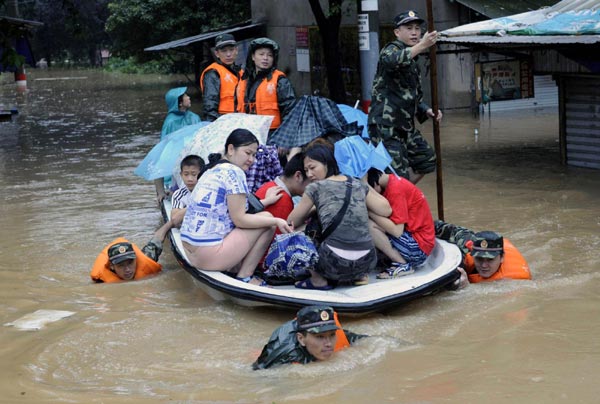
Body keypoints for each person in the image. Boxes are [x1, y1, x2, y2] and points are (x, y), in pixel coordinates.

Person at [179, 129, 292, 286]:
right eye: (248, 153)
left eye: (254, 155)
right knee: (268, 221)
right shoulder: (235, 172)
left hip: (189, 251)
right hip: (207, 256)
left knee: (262, 219)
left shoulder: (210, 170)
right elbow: (240, 219)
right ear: (231, 149)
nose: (251, 159)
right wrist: (278, 221)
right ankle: (245, 276)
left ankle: (234, 268)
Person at [287, 145, 392, 289]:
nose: (309, 174)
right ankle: (359, 276)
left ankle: (319, 280)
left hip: (333, 265)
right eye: (306, 170)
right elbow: (386, 210)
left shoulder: (314, 188)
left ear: (327, 163)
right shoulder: (355, 183)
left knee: (294, 234)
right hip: (367, 262)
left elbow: (291, 222)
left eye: (312, 167)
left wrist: (314, 208)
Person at [367, 10, 442, 184]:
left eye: (417, 28)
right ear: (397, 32)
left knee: (427, 159)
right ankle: (394, 200)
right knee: (396, 173)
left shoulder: (413, 58)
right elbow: (391, 61)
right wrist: (422, 46)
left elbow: (412, 95)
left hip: (405, 125)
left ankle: (401, 193)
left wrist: (427, 110)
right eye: (409, 28)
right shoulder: (392, 49)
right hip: (386, 126)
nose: (415, 32)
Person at [366, 168, 435, 278]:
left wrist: (369, 212)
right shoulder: (393, 182)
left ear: (375, 184)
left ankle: (402, 264)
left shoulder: (395, 189)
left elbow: (397, 231)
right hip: (417, 241)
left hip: (418, 247)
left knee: (368, 225)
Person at [252, 305, 366, 370]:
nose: (328, 343)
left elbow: (371, 341)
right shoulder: (284, 351)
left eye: (331, 335)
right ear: (301, 339)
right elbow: (256, 374)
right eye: (320, 337)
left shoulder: (338, 335)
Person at [435, 221, 532, 288]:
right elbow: (451, 230)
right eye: (479, 258)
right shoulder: (468, 252)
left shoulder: (517, 281)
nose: (484, 265)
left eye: (490, 259)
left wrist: (466, 290)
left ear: (502, 258)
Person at [235, 37, 296, 131]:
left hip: (272, 132)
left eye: (270, 55)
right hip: (247, 130)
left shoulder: (280, 80)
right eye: (261, 54)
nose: (265, 58)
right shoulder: (244, 79)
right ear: (253, 57)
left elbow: (289, 110)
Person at [155, 87, 201, 203]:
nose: (189, 97)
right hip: (177, 164)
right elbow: (162, 153)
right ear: (179, 102)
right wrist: (160, 191)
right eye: (186, 96)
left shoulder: (195, 117)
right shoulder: (170, 122)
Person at [90, 220, 174, 283]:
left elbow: (157, 239)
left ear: (135, 259)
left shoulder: (146, 260)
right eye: (121, 265)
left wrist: (171, 223)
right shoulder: (101, 281)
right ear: (112, 266)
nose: (127, 269)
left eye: (130, 263)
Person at [254, 152, 310, 231]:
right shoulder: (282, 199)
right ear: (298, 176)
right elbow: (280, 240)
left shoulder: (270, 185)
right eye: (312, 182)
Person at [200, 33, 241, 122]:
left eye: (231, 50)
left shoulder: (241, 73)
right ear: (217, 54)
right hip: (222, 121)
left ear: (236, 50)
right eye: (224, 51)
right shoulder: (213, 73)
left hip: (239, 119)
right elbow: (210, 106)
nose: (228, 54)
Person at [170, 155, 205, 227]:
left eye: (194, 174)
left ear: (203, 174)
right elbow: (174, 219)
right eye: (186, 174)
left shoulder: (210, 191)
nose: (189, 179)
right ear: (181, 175)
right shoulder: (179, 194)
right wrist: (196, 204)